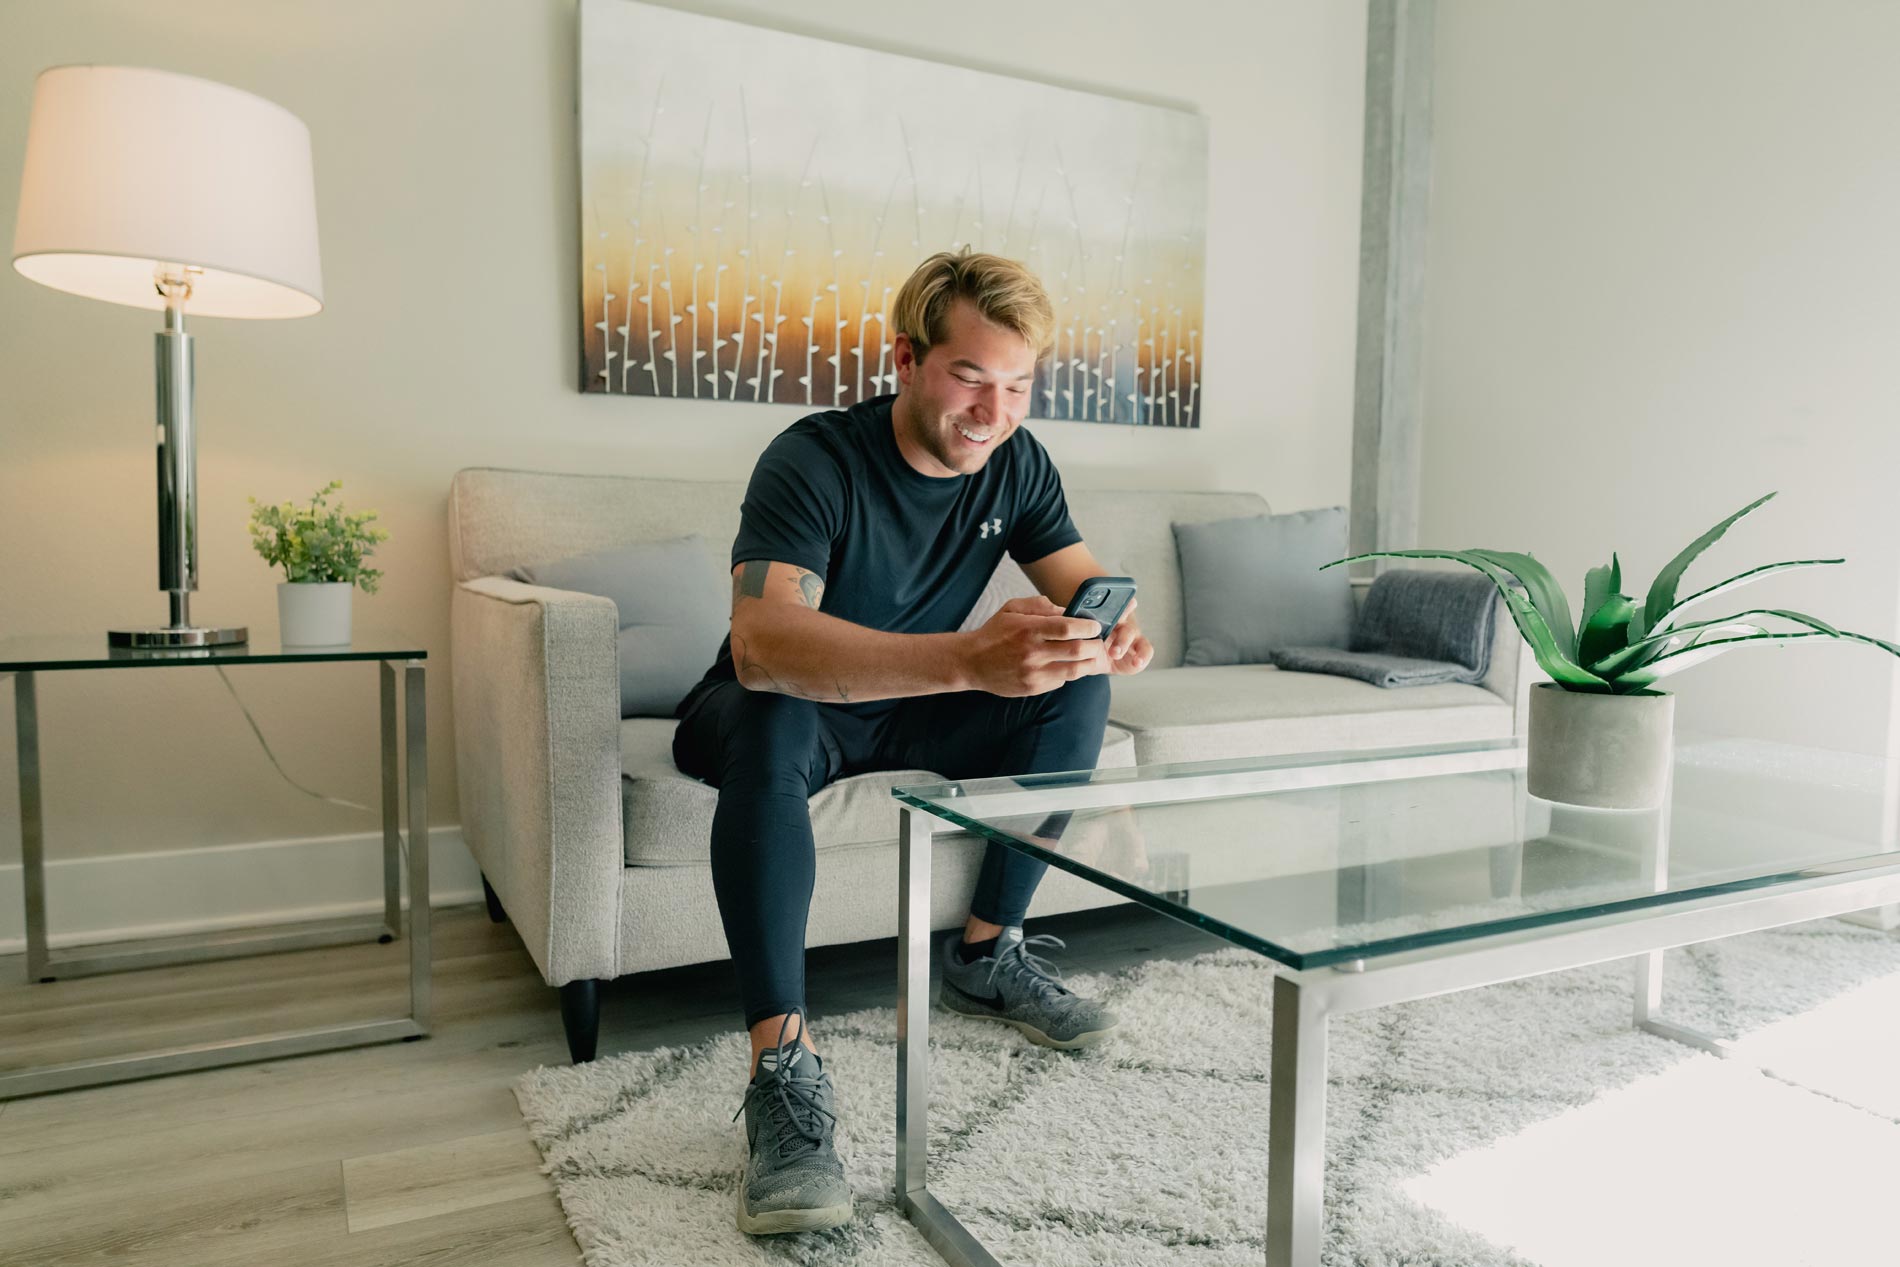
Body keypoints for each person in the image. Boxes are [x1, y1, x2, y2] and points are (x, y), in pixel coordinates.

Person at [671, 248, 1154, 1235]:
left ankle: (986, 954)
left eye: (1018, 384)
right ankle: (781, 1070)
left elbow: (1083, 577)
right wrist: (970, 660)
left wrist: (1108, 628)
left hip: (901, 707)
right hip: (768, 705)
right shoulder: (814, 458)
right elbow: (764, 644)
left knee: (1075, 689)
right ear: (905, 357)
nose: (995, 410)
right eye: (970, 376)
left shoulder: (1016, 460)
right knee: (771, 708)